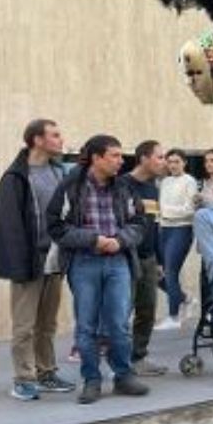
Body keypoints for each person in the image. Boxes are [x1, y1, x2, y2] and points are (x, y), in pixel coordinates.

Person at [46, 134, 149, 404]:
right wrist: (93, 239)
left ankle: (123, 376)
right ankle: (91, 379)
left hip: (118, 262)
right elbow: (55, 226)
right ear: (96, 158)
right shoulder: (71, 186)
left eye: (120, 155)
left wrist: (120, 241)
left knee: (119, 323)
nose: (120, 161)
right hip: (83, 262)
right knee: (86, 325)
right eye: (114, 155)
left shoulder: (125, 187)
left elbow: (139, 223)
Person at [0, 118, 77, 400]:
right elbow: (10, 225)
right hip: (28, 261)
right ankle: (23, 378)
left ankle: (46, 372)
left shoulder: (57, 173)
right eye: (54, 135)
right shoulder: (15, 177)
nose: (60, 139)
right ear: (37, 140)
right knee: (24, 325)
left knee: (47, 324)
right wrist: (19, 265)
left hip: (55, 259)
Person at [120, 141, 169, 377]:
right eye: (159, 157)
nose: (164, 162)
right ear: (143, 158)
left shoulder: (153, 189)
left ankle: (138, 357)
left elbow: (156, 226)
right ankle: (119, 362)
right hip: (125, 257)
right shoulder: (121, 185)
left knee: (147, 309)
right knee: (121, 311)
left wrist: (159, 261)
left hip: (149, 258)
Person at [155, 148, 198, 330]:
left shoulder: (189, 181)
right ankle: (186, 299)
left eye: (176, 161)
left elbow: (189, 209)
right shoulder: (164, 181)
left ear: (184, 163)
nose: (172, 165)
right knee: (157, 274)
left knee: (171, 271)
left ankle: (173, 317)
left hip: (182, 229)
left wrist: (166, 211)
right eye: (169, 161)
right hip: (163, 229)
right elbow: (160, 208)